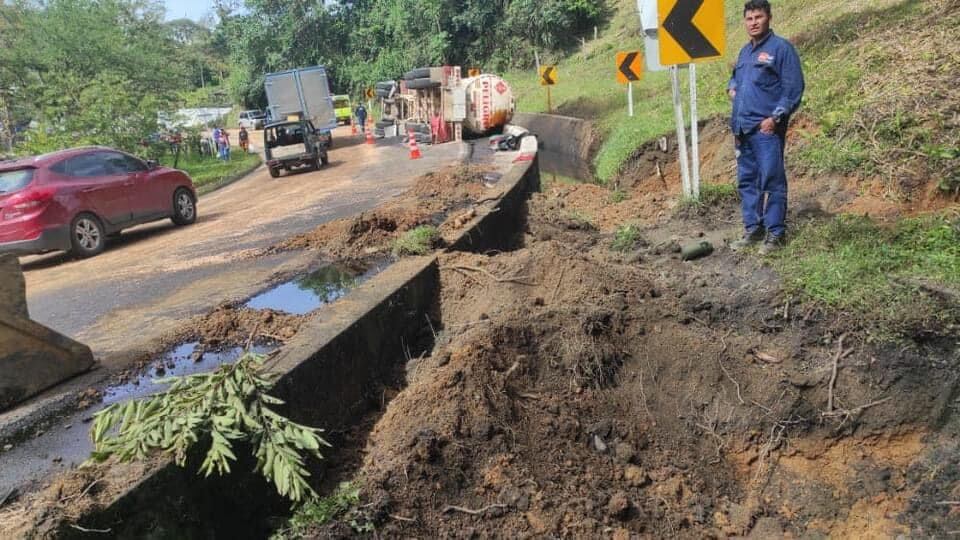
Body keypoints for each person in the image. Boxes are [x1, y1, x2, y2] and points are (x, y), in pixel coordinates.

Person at [728, 0, 805, 255]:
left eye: (758, 17)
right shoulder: (744, 53)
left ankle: (775, 233)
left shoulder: (781, 49)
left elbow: (793, 89)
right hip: (742, 129)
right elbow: (736, 78)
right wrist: (731, 87)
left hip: (765, 130)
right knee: (747, 181)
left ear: (769, 18)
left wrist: (775, 118)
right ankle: (754, 228)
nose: (754, 23)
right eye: (749, 19)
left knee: (772, 180)